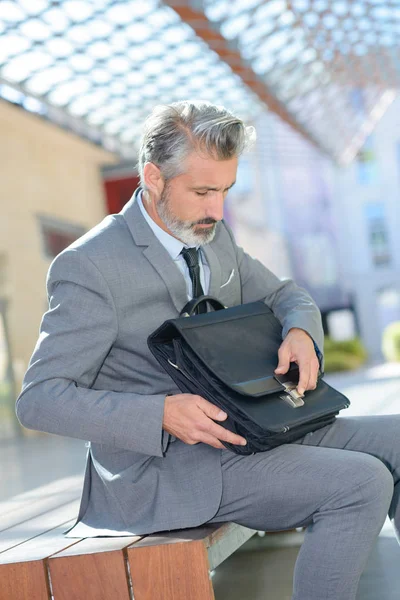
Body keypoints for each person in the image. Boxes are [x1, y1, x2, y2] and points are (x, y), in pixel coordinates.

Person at [16, 101, 400, 600]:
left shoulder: (213, 238)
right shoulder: (90, 266)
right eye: (202, 192)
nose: (217, 210)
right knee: (362, 482)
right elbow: (40, 399)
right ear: (154, 177)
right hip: (166, 471)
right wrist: (159, 413)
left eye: (224, 190)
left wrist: (301, 332)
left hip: (251, 431)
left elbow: (288, 295)